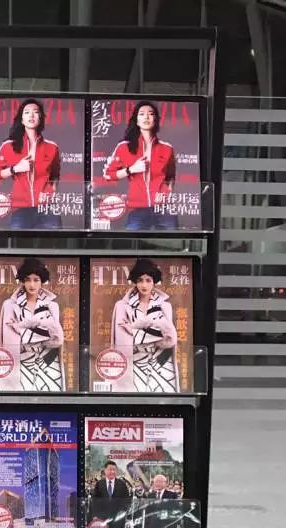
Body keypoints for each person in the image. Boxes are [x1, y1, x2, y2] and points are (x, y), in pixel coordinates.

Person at [102, 100, 177, 231]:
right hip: (137, 209)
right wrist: (131, 169)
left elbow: (170, 175)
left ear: (156, 119)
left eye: (151, 114)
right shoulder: (124, 147)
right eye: (142, 114)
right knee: (132, 242)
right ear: (136, 120)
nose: (146, 117)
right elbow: (108, 175)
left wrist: (168, 192)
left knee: (174, 242)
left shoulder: (167, 148)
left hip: (163, 208)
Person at [0, 99, 61, 230]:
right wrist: (16, 168)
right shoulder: (9, 146)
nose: (31, 115)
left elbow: (55, 174)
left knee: (53, 243)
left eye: (35, 112)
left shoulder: (52, 147)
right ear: (22, 120)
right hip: (20, 209)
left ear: (40, 118)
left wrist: (52, 191)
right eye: (27, 112)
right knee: (18, 242)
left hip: (47, 208)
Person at [111, 258, 179, 393]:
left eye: (148, 280)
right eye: (140, 280)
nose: (144, 285)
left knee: (162, 401)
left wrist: (133, 329)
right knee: (133, 400)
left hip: (161, 362)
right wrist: (153, 332)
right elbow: (119, 341)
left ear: (154, 282)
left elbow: (170, 338)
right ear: (135, 282)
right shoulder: (122, 306)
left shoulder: (165, 306)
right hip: (133, 363)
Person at [0, 257, 65, 391]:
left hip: (48, 362)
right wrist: (40, 332)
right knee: (19, 400)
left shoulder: (52, 306)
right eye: (28, 279)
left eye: (36, 280)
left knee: (50, 400)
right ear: (23, 281)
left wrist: (22, 329)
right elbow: (3, 341)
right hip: (20, 363)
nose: (32, 284)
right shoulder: (9, 305)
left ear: (42, 281)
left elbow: (57, 339)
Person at [89, 460, 132, 528]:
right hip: (102, 521)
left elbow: (127, 501)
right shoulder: (99, 484)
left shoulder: (122, 484)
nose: (112, 472)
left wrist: (122, 514)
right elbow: (94, 502)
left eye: (114, 470)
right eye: (110, 469)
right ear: (105, 470)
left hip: (117, 520)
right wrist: (95, 516)